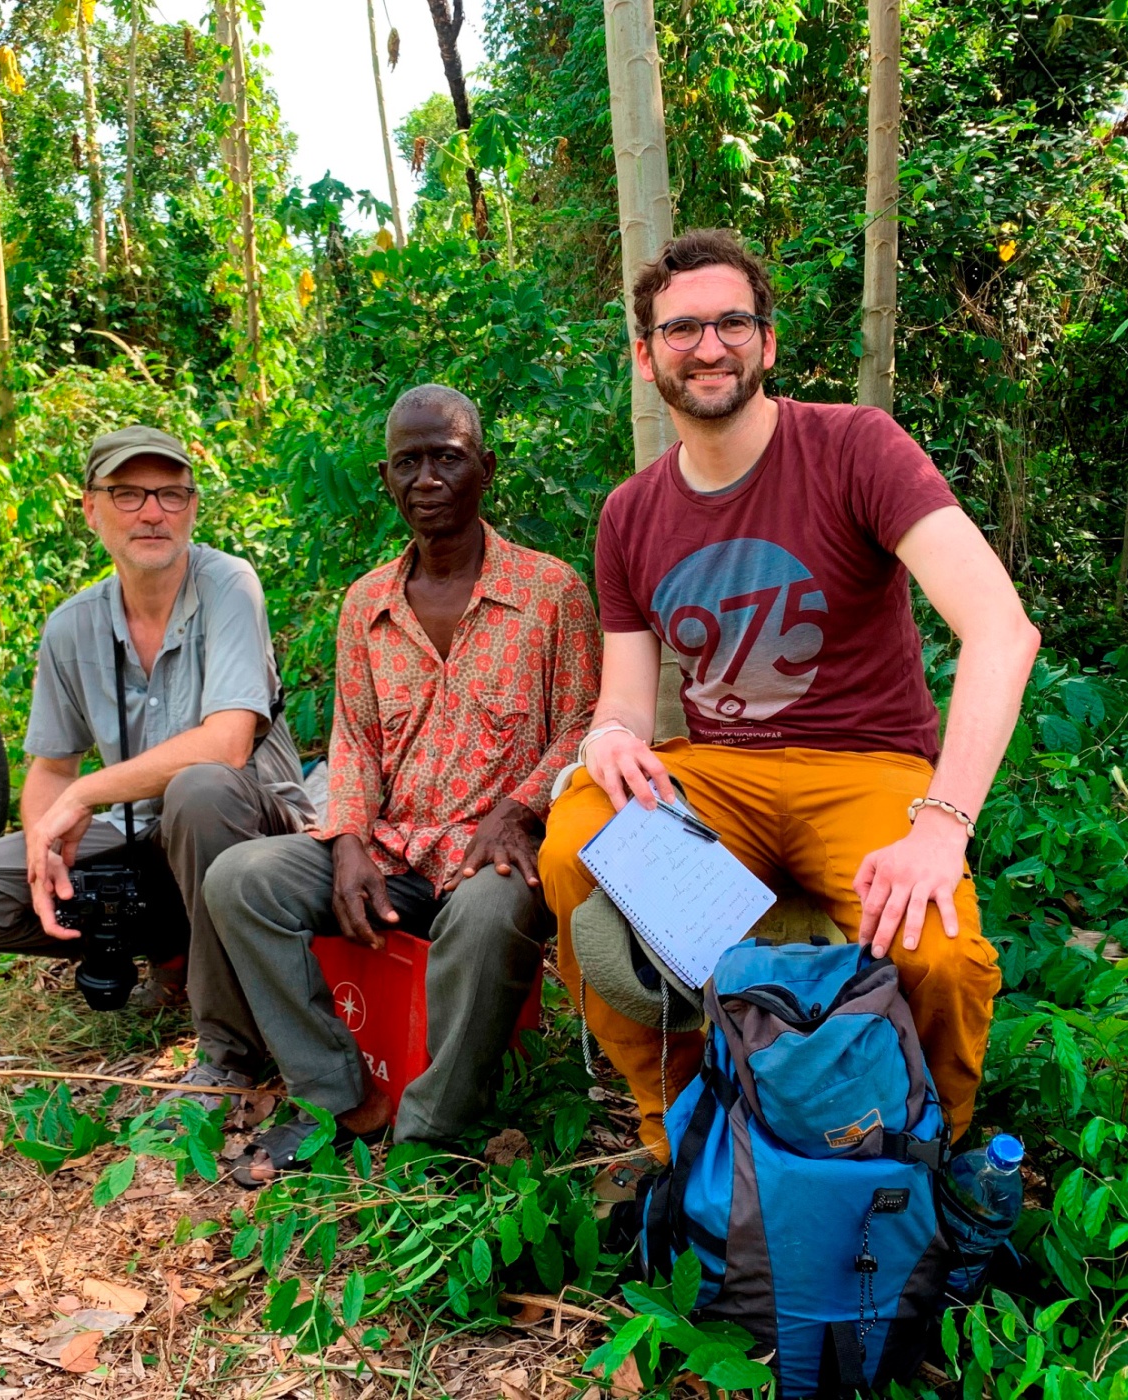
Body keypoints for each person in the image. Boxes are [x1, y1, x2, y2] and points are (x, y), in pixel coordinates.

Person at [538, 229, 1041, 1159]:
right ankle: (679, 1123)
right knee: (573, 845)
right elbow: (624, 701)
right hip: (720, 776)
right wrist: (607, 736)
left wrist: (942, 824)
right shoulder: (630, 513)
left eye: (732, 321)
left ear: (767, 342)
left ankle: (936, 1157)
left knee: (936, 954)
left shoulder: (855, 447)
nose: (709, 345)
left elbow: (1002, 631)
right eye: (680, 328)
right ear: (647, 355)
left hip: (865, 766)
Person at [203, 384, 602, 1182]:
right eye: (409, 462)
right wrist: (347, 840)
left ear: (485, 468)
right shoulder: (366, 606)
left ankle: (428, 1135)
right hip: (391, 847)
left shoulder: (551, 593)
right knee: (239, 880)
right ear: (386, 477)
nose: (428, 478)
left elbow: (587, 724)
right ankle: (341, 1102)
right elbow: (354, 738)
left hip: (493, 852)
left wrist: (520, 809)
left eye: (447, 458)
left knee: (492, 917)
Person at [0, 425, 314, 1099]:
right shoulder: (72, 626)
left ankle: (230, 1048)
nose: (152, 512)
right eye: (128, 494)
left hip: (252, 833)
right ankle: (173, 945)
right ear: (91, 508)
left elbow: (228, 745)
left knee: (200, 791)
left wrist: (88, 792)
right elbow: (51, 769)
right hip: (145, 839)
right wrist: (47, 851)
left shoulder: (228, 587)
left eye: (171, 495)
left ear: (192, 508)